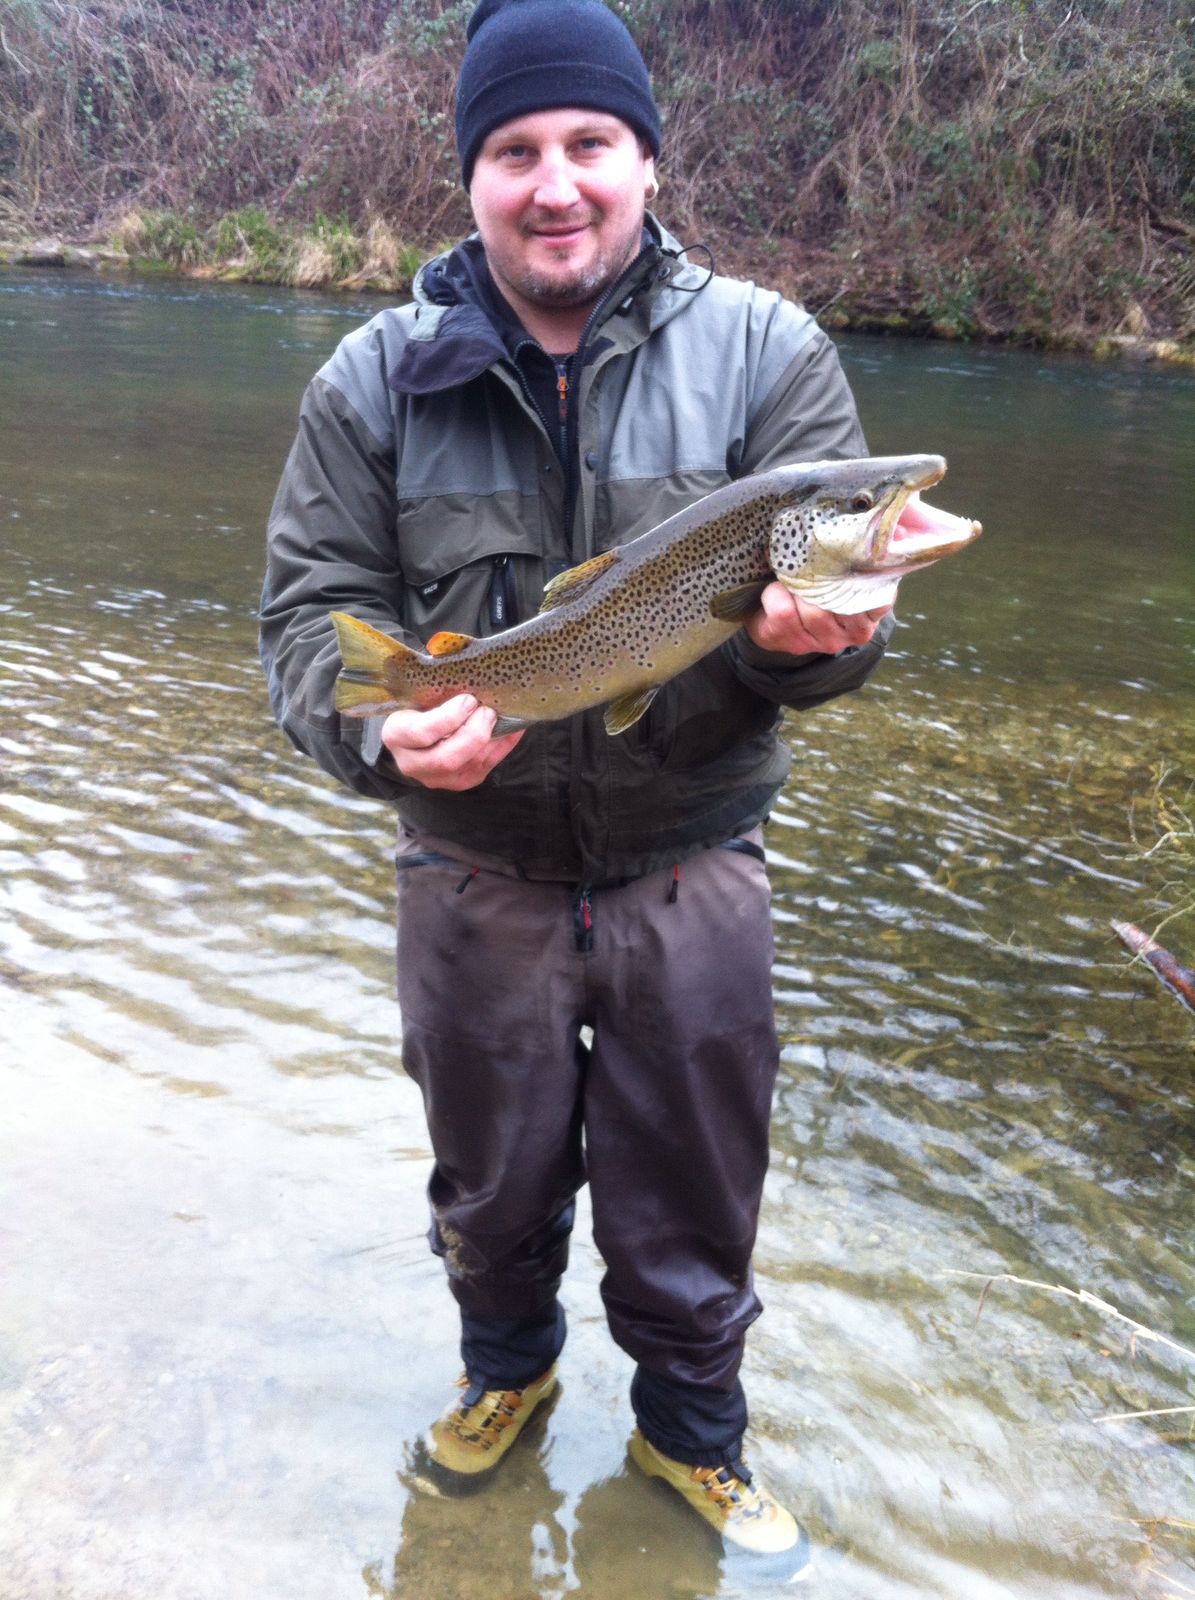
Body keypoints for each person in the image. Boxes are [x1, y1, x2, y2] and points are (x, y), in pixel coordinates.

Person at [260, 0, 892, 1570]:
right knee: (490, 1180)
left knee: (696, 1180)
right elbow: (301, 622)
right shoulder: (373, 379)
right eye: (516, 150)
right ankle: (504, 1380)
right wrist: (379, 736)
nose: (557, 183)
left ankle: (693, 1446)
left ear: (646, 160)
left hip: (695, 859)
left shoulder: (770, 352)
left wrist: (803, 650)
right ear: (471, 177)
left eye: (589, 146)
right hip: (471, 873)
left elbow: (849, 638)